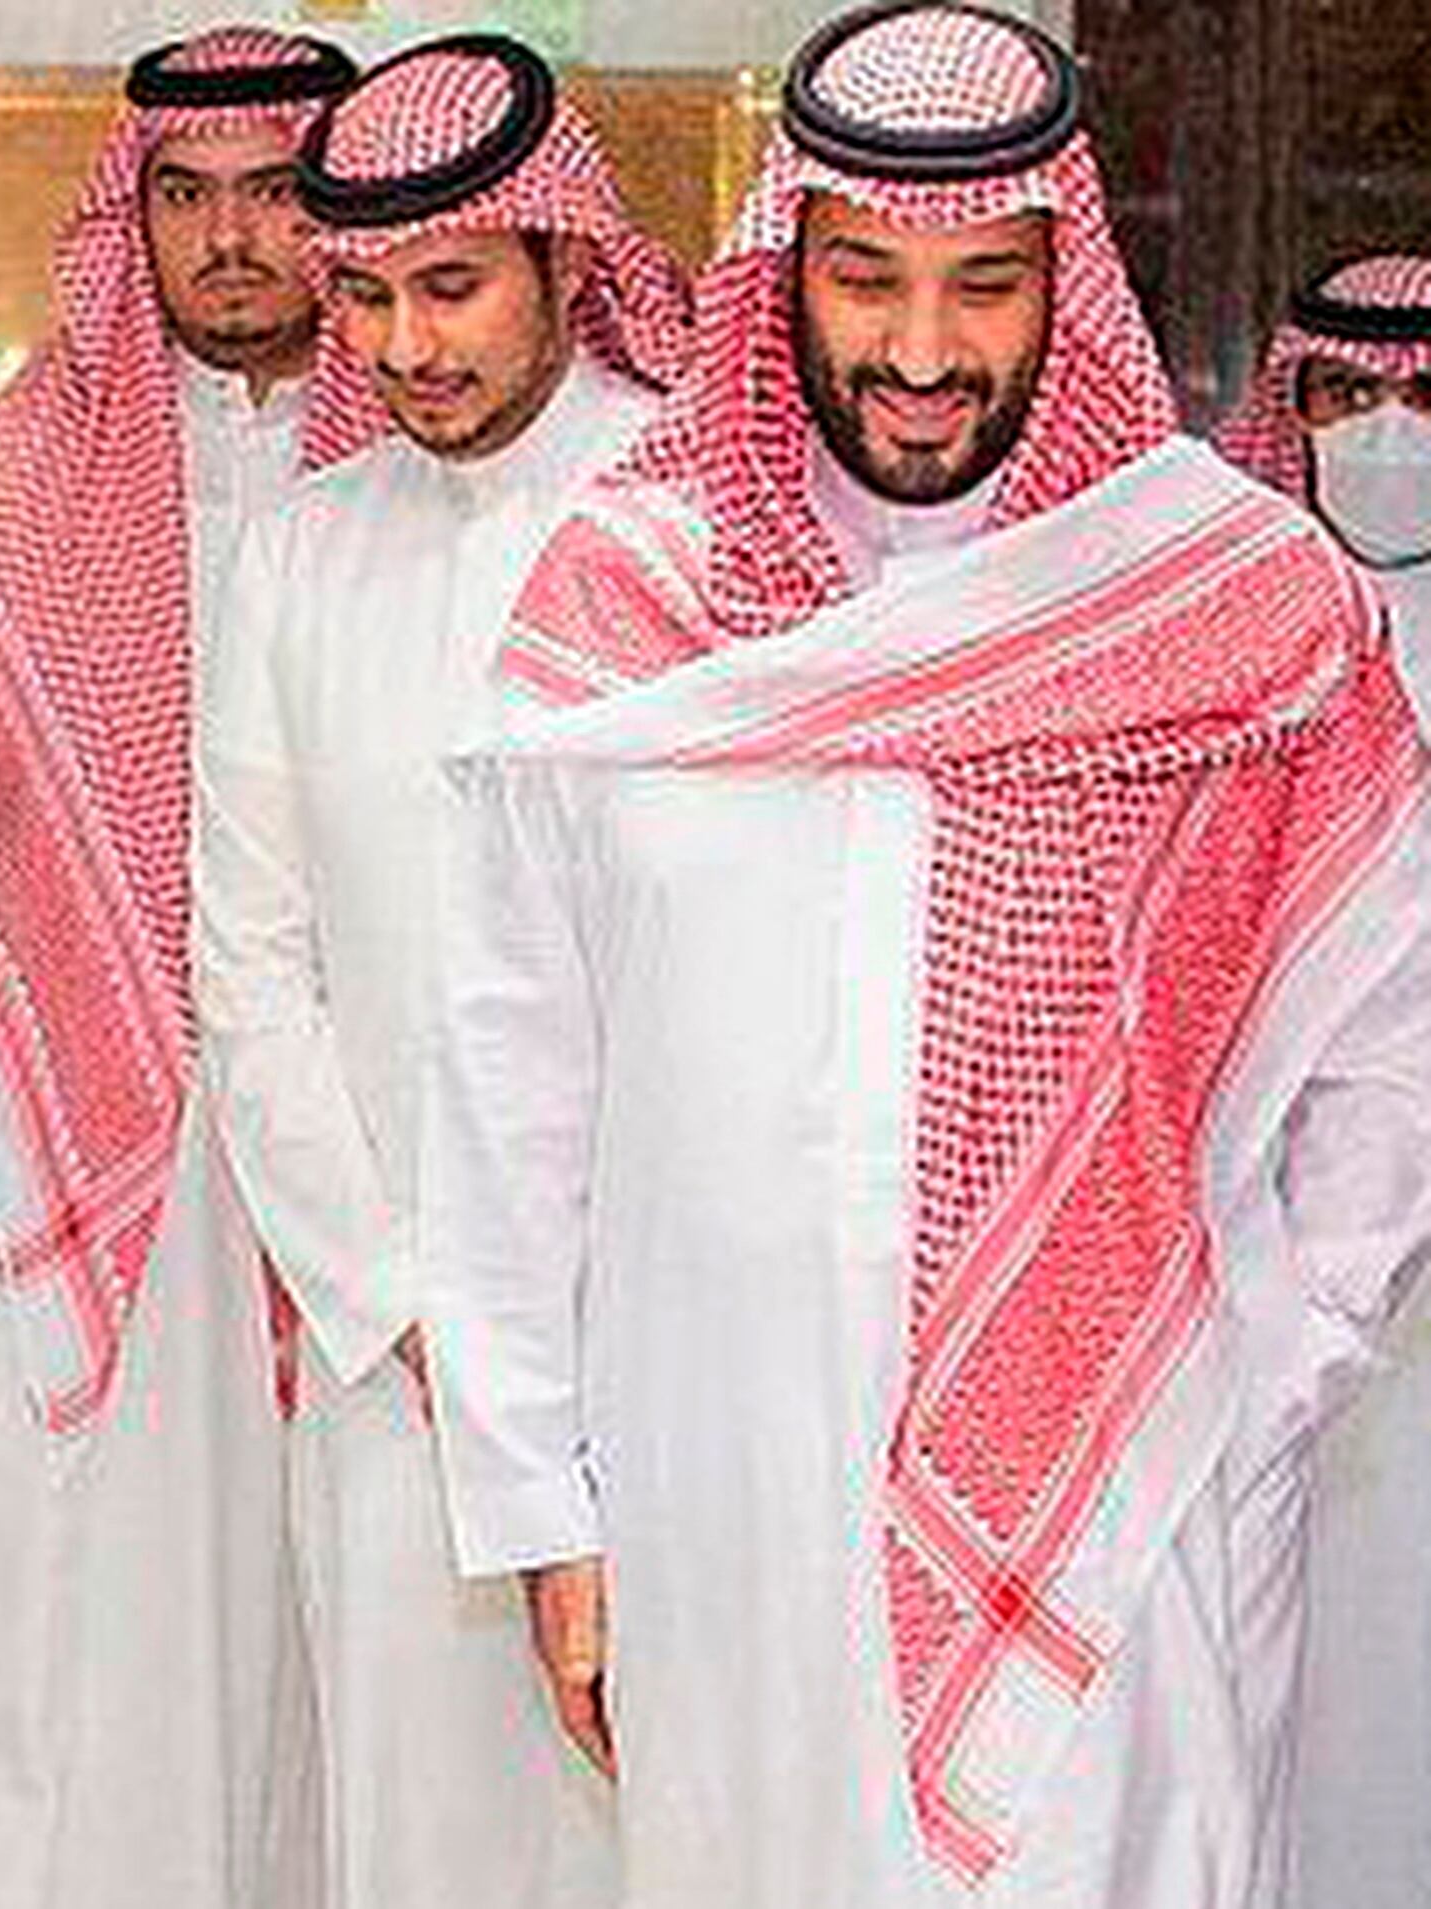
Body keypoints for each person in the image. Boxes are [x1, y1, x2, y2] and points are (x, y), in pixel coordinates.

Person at [420, 5, 1431, 1904]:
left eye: (984, 284)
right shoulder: (624, 601)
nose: (918, 347)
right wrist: (542, 1501)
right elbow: (508, 1078)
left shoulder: (1219, 595)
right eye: (864, 276)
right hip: (717, 1478)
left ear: (1065, 280)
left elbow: (1391, 1017)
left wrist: (1280, 1358)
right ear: (782, 268)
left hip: (1121, 1494)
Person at [0, 27, 361, 1909]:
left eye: (272, 193)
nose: (230, 240)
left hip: (343, 1150)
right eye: (185, 196)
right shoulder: (11, 490)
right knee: (27, 1633)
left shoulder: (421, 481)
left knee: (320, 1666)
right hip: (46, 1156)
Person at [199, 32, 690, 1909]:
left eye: (454, 286)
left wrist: (608, 1330)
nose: (407, 345)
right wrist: (422, 1314)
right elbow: (251, 975)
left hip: (689, 1348)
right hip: (399, 1367)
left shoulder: (707, 521)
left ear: (564, 259)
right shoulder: (300, 557)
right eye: (369, 297)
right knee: (420, 1850)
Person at [1210, 251, 1431, 1909]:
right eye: (1346, 395)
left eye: (1424, 399)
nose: (1384, 434)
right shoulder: (1239, 654)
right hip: (1283, 1261)